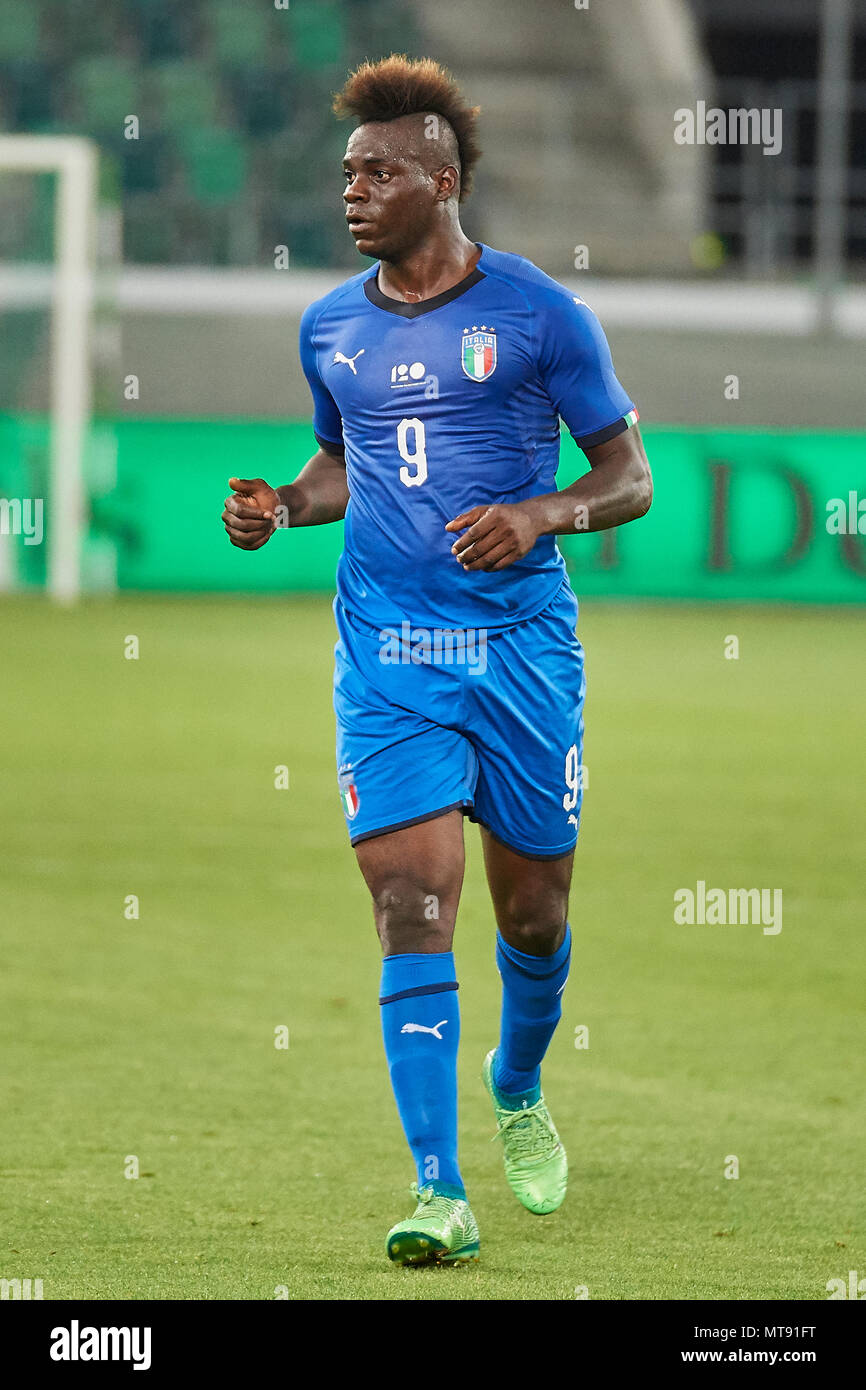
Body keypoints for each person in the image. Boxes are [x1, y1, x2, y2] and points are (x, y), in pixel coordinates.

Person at [222, 54, 652, 1266]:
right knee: (410, 902)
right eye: (346, 175)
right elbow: (340, 464)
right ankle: (437, 1189)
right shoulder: (330, 326)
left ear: (441, 179)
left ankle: (516, 1085)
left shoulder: (534, 313)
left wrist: (538, 515)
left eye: (376, 172)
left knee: (534, 911)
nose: (351, 193)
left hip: (517, 652)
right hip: (390, 657)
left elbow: (628, 477)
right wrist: (282, 509)